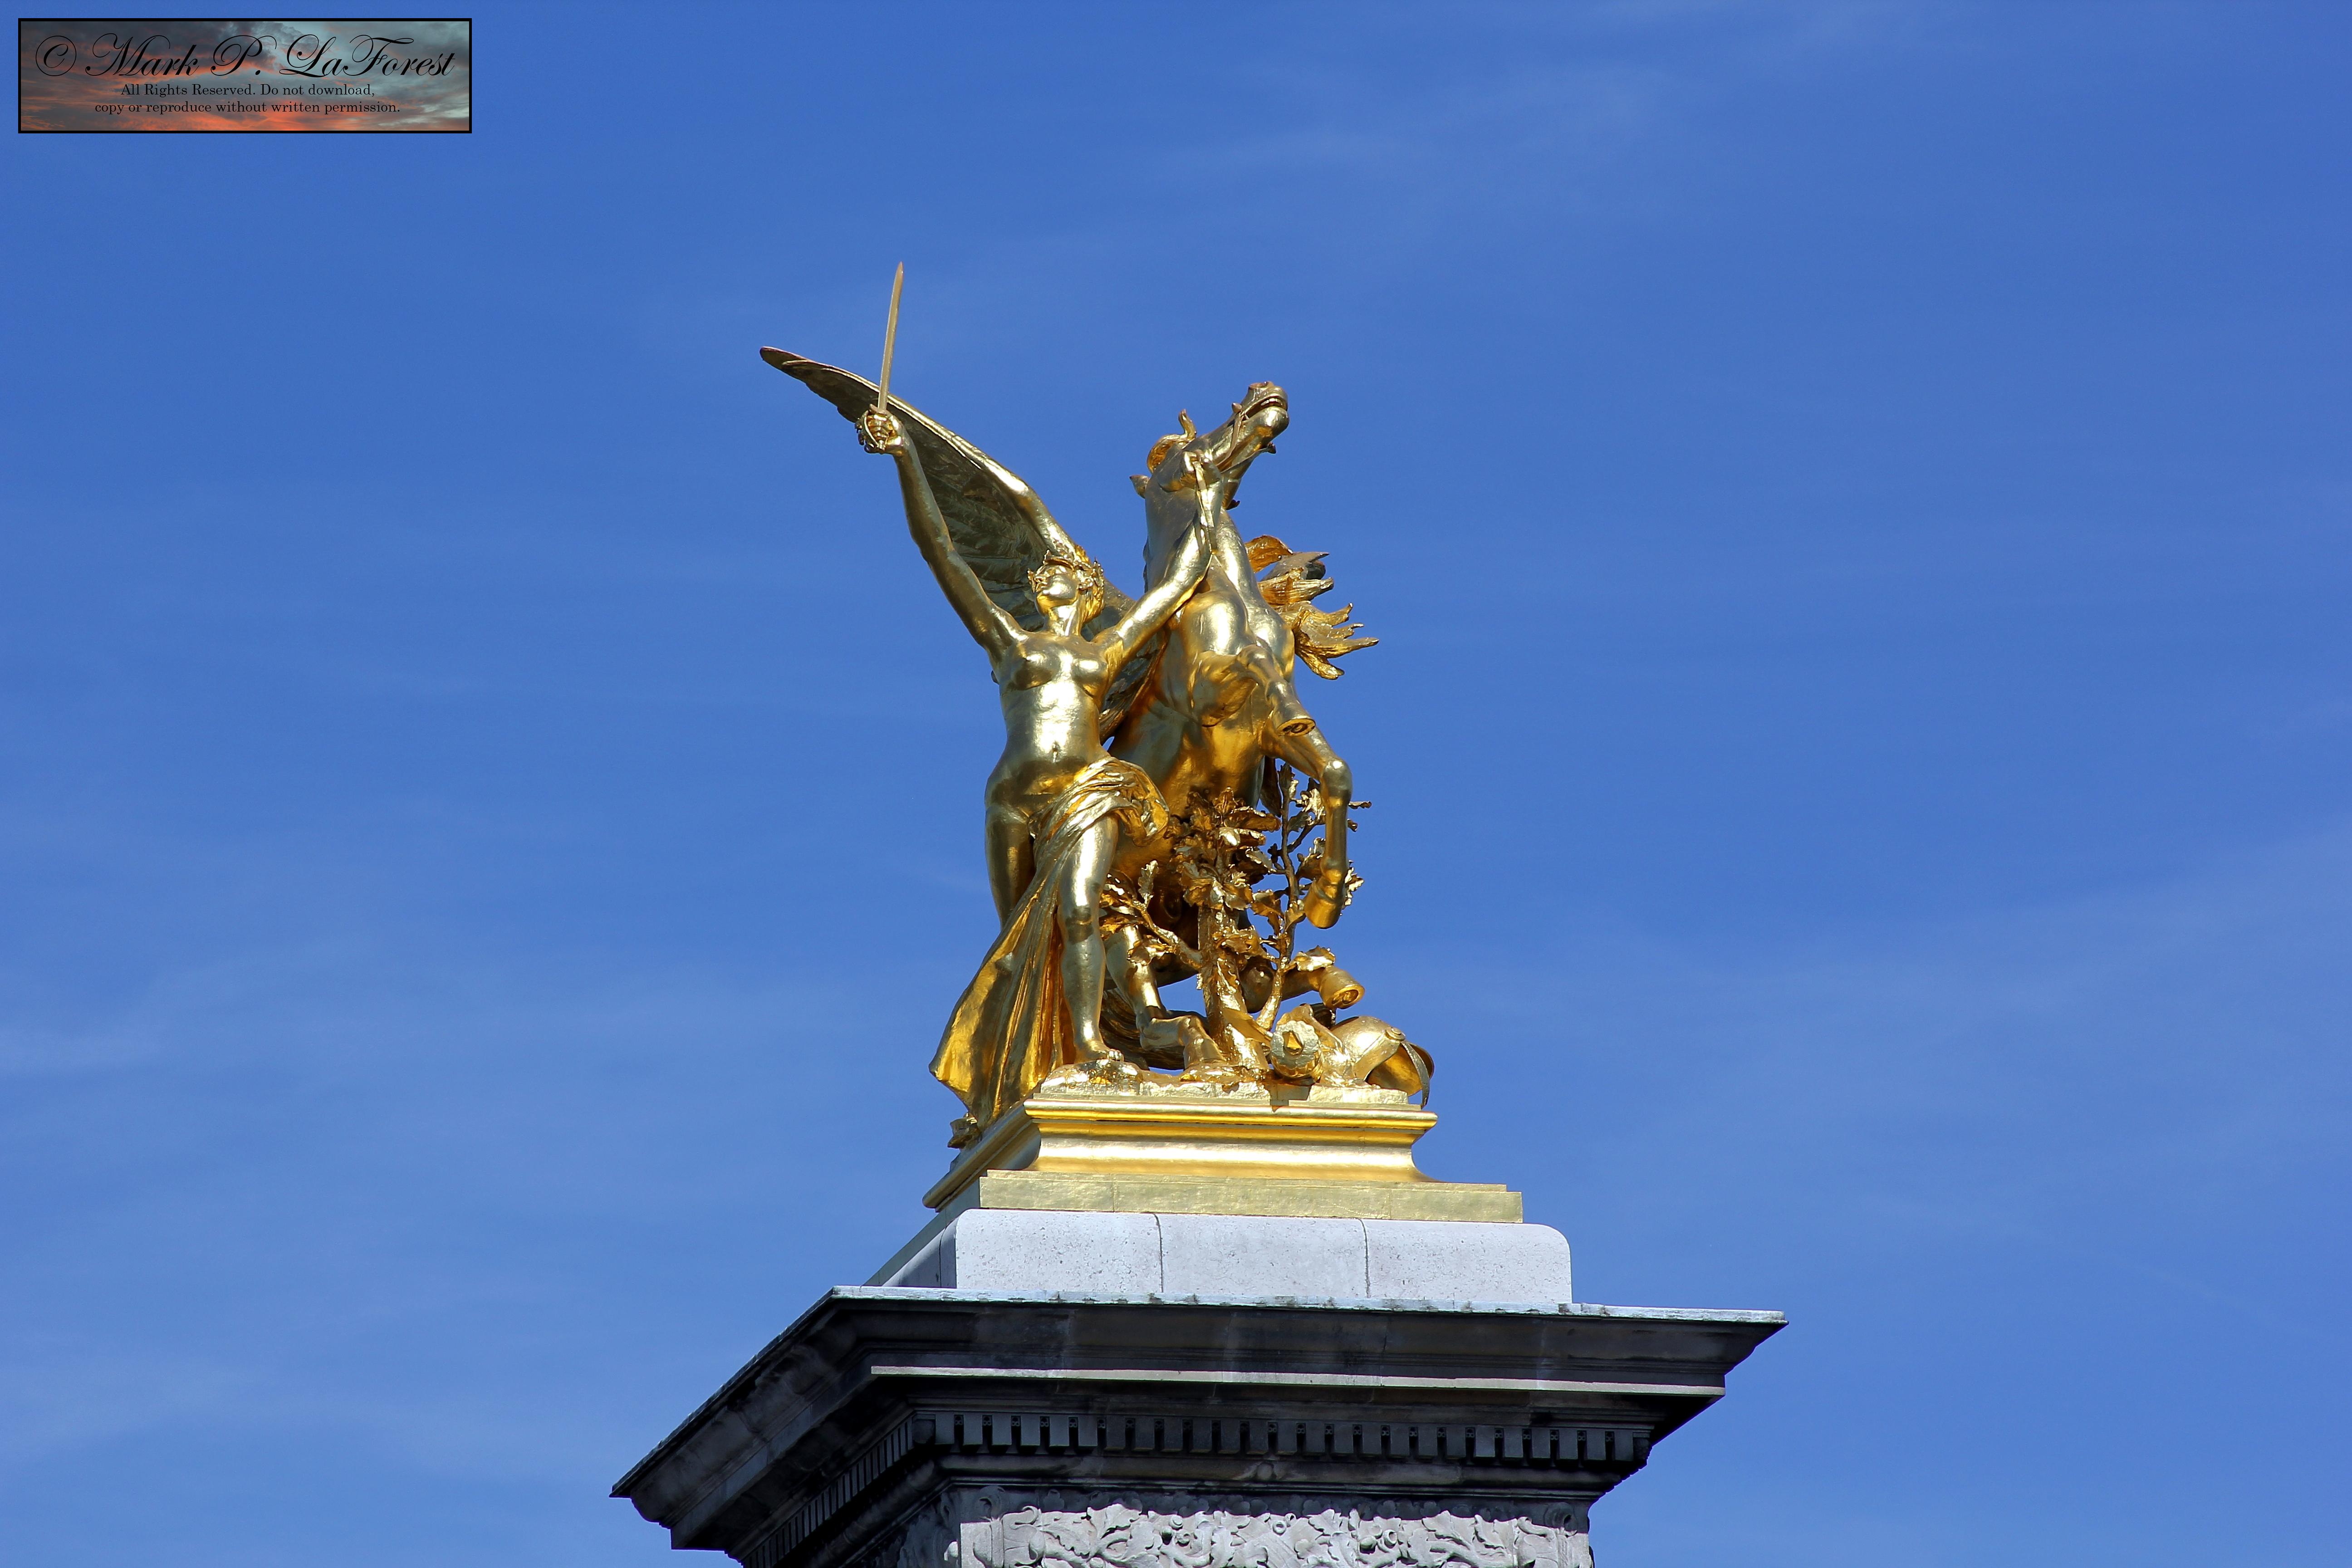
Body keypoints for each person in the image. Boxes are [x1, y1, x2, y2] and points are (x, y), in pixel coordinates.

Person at [859, 407, 1217, 1145]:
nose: (1044, 579)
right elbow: (942, 553)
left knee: (1080, 912)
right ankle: (1002, 1076)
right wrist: (903, 459)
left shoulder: (1105, 652)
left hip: (1086, 791)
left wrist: (1207, 501)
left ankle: (1086, 1045)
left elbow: (1177, 585)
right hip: (1013, 802)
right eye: (1041, 575)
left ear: (1084, 591)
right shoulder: (1008, 641)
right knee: (1016, 945)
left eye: (1059, 574)